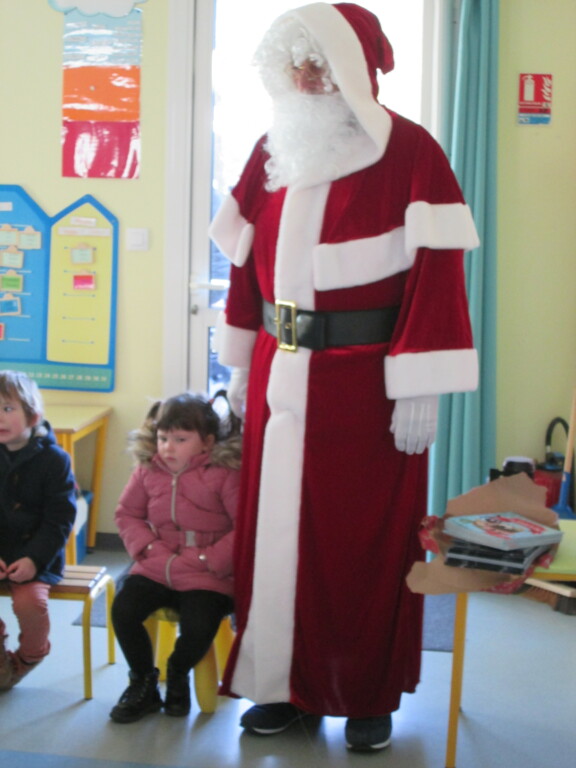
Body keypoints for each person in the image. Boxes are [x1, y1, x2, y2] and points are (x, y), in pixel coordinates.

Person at [209, 2, 480, 752]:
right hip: (278, 379)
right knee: (274, 540)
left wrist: (419, 381)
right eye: (295, 62)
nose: (306, 76)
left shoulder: (413, 153)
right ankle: (280, 686)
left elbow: (438, 276)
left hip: (367, 391)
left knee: (364, 546)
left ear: (356, 70)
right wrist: (239, 364)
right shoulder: (271, 151)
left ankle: (366, 694)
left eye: (321, 62)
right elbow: (244, 270)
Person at [109, 392, 241, 723]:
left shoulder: (224, 473)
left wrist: (207, 559)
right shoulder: (147, 470)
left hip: (207, 573)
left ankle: (178, 670)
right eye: (163, 438)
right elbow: (127, 514)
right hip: (156, 565)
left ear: (207, 442)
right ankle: (143, 682)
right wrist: (149, 549)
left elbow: (244, 527)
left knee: (200, 624)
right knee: (123, 610)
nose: (168, 447)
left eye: (181, 439)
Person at [0, 370, 76, 690]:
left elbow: (59, 519)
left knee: (30, 604)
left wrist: (33, 559)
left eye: (7, 408)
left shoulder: (55, 460)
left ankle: (30, 657)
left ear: (33, 416)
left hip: (37, 557)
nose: (0, 417)